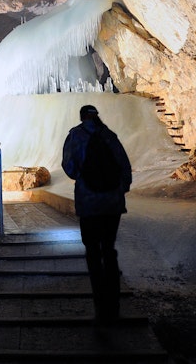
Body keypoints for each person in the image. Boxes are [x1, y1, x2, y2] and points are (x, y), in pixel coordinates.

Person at [62, 104, 132, 322]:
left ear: (82, 117)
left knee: (93, 251)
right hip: (112, 203)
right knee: (109, 250)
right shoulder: (109, 135)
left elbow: (70, 167)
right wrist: (119, 190)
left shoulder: (76, 136)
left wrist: (86, 178)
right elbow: (124, 167)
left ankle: (100, 304)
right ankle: (114, 304)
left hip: (89, 202)